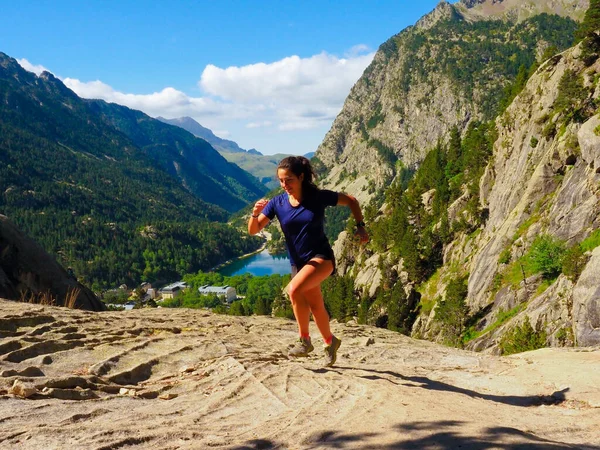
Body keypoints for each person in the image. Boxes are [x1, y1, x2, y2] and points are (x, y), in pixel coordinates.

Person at [248, 156, 368, 367]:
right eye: (281, 181)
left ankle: (304, 341)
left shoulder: (318, 197)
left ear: (301, 177)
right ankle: (331, 342)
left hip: (321, 258)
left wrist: (360, 225)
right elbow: (254, 229)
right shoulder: (278, 203)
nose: (285, 185)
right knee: (315, 305)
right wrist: (255, 213)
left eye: (289, 180)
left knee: (294, 290)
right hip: (298, 263)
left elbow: (351, 200)